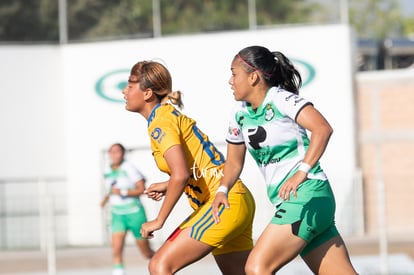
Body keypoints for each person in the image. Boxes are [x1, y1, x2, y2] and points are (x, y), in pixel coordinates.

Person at [212, 45, 358, 275]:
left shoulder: (280, 100)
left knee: (257, 267)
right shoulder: (238, 113)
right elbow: (233, 163)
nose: (230, 81)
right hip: (298, 202)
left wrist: (302, 172)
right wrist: (222, 189)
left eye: (234, 73)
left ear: (253, 77)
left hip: (307, 194)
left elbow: (322, 129)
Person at [122, 60, 255, 275]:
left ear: (147, 93)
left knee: (159, 265)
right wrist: (168, 184)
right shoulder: (165, 116)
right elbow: (197, 167)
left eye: (129, 85)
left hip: (221, 203)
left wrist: (159, 220)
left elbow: (180, 175)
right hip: (235, 199)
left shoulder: (161, 122)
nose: (124, 91)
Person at [101, 143, 155, 275]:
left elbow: (142, 189)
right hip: (117, 215)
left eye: (118, 151)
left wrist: (123, 192)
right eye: (112, 152)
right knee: (116, 250)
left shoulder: (129, 168)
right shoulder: (107, 171)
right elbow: (111, 189)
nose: (115, 155)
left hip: (135, 213)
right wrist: (105, 200)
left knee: (146, 252)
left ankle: (164, 265)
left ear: (123, 153)